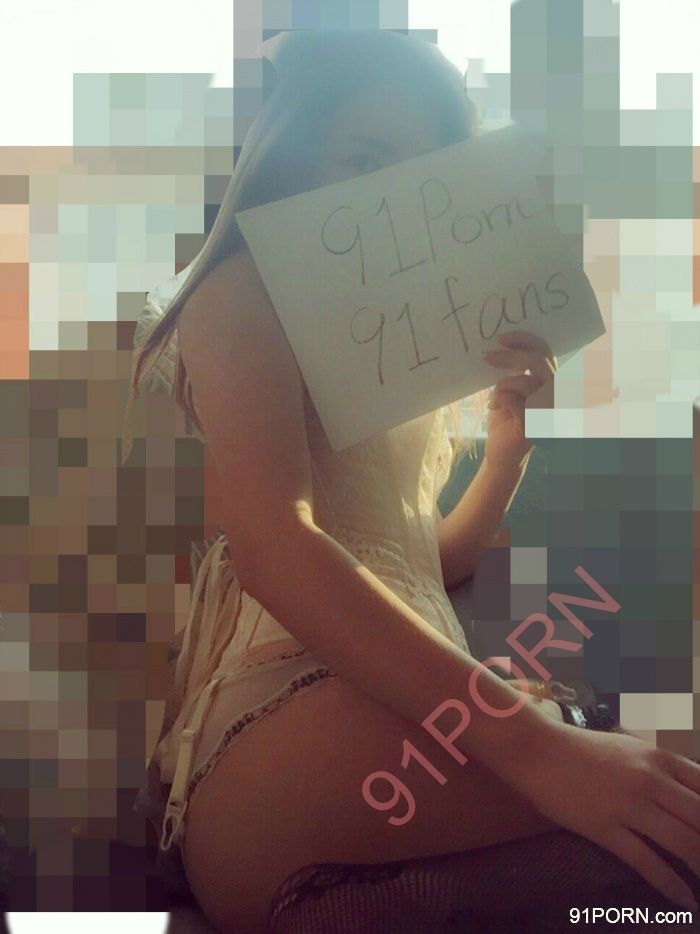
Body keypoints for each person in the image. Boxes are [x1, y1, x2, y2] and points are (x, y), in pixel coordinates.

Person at [122, 28, 700, 933]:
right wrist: (539, 746)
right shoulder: (241, 289)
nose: (390, 200)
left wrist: (505, 449)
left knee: (642, 869)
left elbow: (425, 560)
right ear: (293, 161)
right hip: (284, 724)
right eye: (362, 160)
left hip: (392, 741)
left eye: (421, 175)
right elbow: (276, 543)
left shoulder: (396, 379)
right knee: (663, 818)